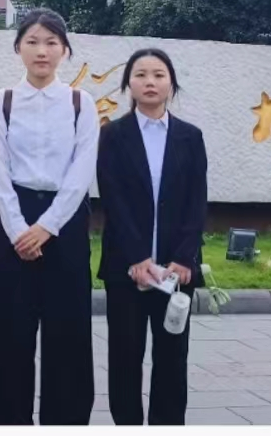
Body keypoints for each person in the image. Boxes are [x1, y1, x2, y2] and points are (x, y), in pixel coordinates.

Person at [0, 7, 99, 425]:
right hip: (13, 221)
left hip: (65, 224)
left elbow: (82, 171)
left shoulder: (80, 103)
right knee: (10, 334)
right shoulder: (1, 102)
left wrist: (47, 227)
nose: (42, 51)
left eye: (51, 42)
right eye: (32, 42)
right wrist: (19, 230)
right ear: (18, 48)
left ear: (65, 50)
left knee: (67, 335)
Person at [98, 48, 208, 426]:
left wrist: (184, 258)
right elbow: (113, 200)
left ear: (171, 84)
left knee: (172, 359)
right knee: (125, 358)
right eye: (141, 74)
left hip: (177, 272)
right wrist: (137, 258)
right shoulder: (113, 135)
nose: (150, 82)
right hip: (127, 270)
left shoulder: (190, 137)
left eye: (159, 75)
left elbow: (196, 202)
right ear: (128, 83)